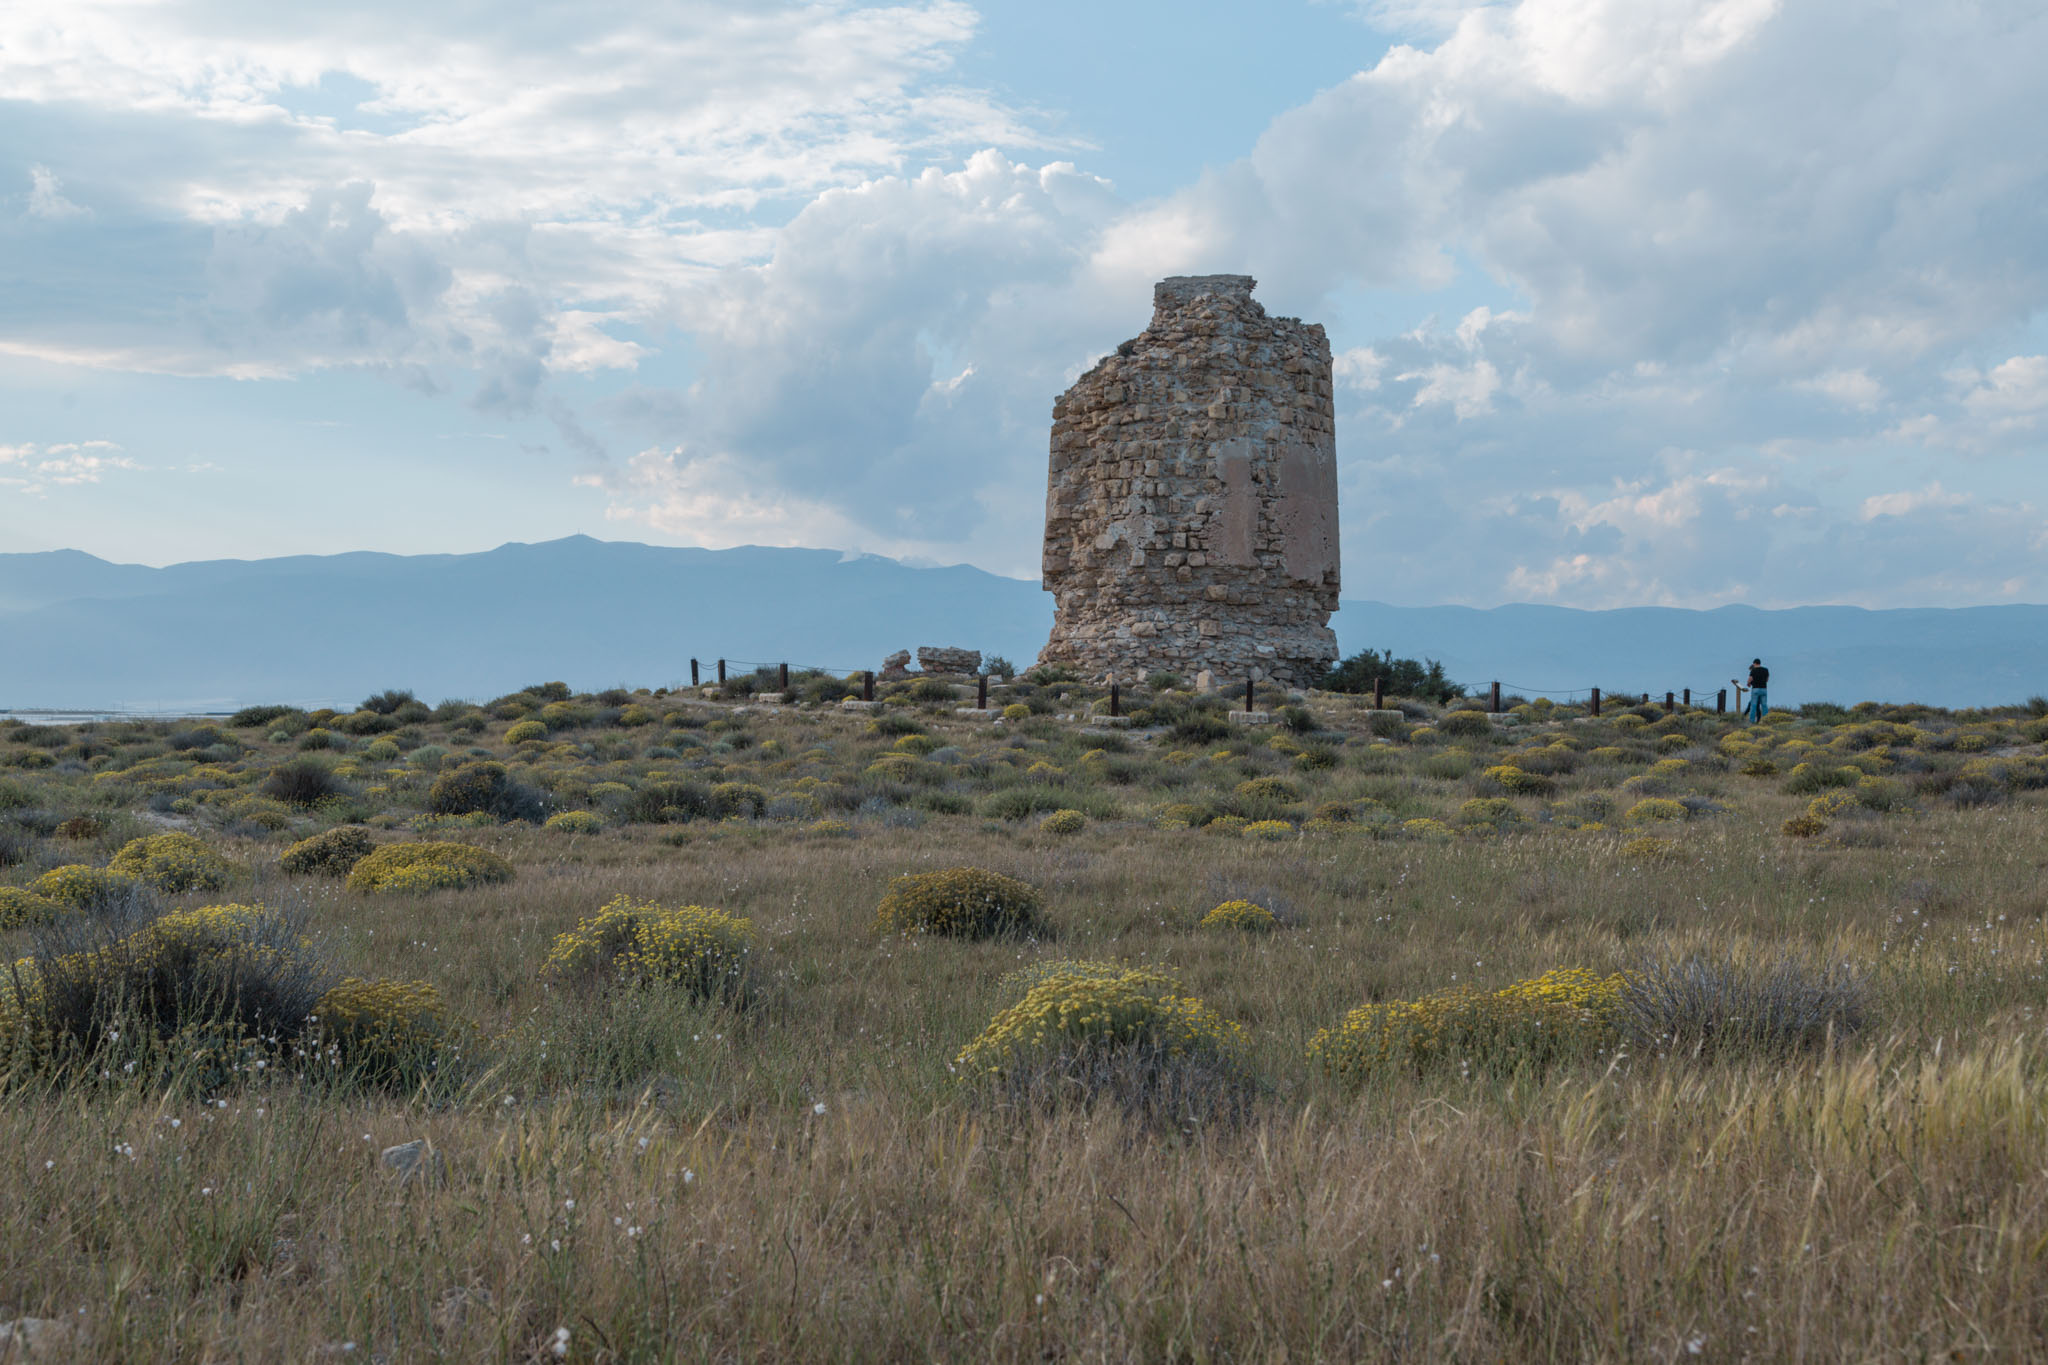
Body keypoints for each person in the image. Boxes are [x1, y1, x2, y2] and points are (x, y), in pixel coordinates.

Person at [1744, 658, 1769, 722]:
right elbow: (1767, 680)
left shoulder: (1753, 670)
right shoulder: (1766, 670)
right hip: (1764, 689)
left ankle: (1752, 721)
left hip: (1755, 689)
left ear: (1754, 663)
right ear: (1760, 663)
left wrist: (1748, 684)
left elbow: (1750, 679)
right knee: (1764, 705)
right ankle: (1765, 720)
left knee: (1753, 705)